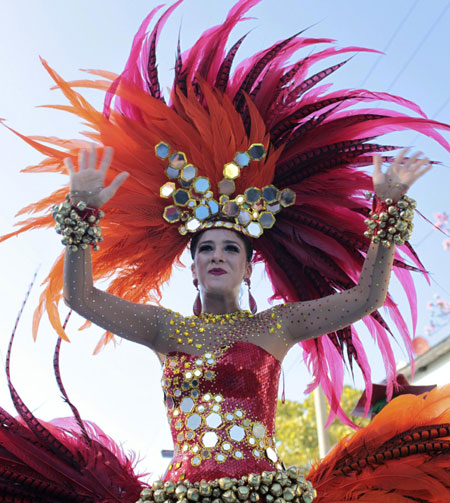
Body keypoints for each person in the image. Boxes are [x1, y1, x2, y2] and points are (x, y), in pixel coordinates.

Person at [1, 1, 449, 501]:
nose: (217, 255)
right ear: (192, 270)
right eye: (206, 248)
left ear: (247, 266)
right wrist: (82, 216)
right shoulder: (166, 329)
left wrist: (386, 212)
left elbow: (365, 297)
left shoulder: (276, 326)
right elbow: (81, 298)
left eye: (230, 248)